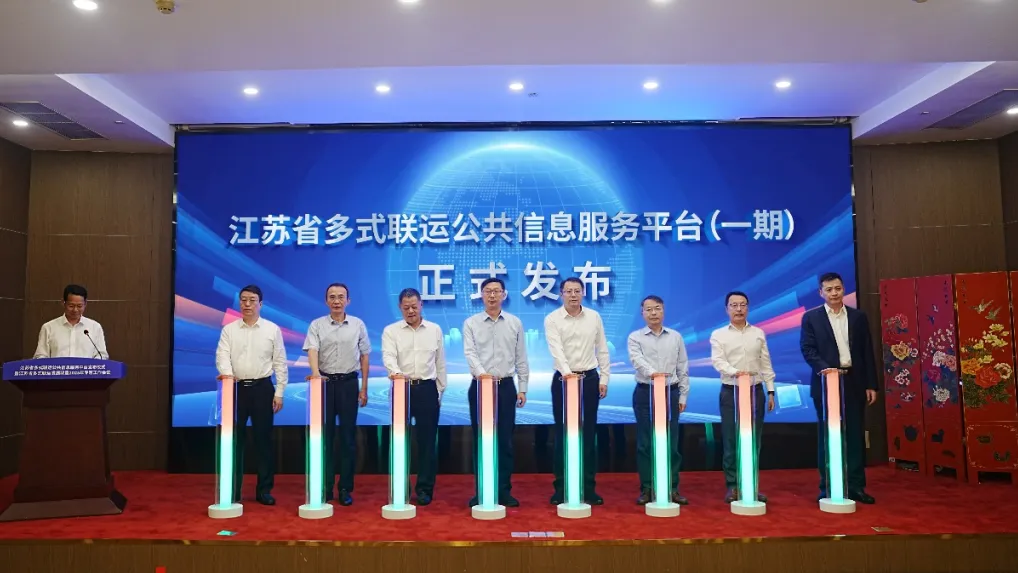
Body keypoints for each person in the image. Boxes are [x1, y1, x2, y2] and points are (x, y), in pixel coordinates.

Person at [799, 272, 878, 504]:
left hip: (854, 381)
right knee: (828, 435)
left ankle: (855, 486)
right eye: (829, 290)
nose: (834, 293)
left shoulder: (858, 317)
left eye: (838, 288)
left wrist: (871, 384)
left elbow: (866, 351)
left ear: (843, 289)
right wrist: (826, 370)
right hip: (826, 382)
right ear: (821, 293)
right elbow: (808, 349)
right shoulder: (811, 318)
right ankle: (828, 486)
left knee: (854, 435)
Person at [214, 284, 288, 505]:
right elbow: (222, 356)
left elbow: (280, 362)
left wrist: (280, 392)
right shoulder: (229, 330)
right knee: (233, 441)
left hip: (263, 389)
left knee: (263, 442)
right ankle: (232, 491)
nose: (247, 304)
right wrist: (228, 376)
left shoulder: (272, 329)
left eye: (252, 300)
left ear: (260, 304)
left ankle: (264, 490)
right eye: (243, 300)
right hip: (235, 389)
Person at [463, 278, 529, 508]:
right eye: (488, 291)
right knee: (481, 440)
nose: (492, 295)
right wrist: (483, 375)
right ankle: (482, 491)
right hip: (480, 386)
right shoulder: (471, 323)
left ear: (504, 294)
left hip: (506, 387)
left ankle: (503, 491)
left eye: (496, 291)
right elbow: (470, 354)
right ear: (481, 295)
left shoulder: (514, 323)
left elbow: (521, 357)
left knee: (505, 441)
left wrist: (523, 388)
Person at [303, 283, 371, 507]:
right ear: (326, 301)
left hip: (349, 384)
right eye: (332, 297)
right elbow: (312, 350)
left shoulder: (358, 324)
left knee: (348, 439)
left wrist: (364, 388)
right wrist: (315, 374)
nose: (336, 301)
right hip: (325, 384)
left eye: (341, 297)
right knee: (326, 438)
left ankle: (345, 488)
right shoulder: (317, 325)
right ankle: (325, 487)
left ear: (348, 301)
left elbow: (364, 356)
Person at [545, 277, 610, 505]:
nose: (573, 295)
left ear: (583, 293)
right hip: (563, 380)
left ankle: (588, 488)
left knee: (588, 434)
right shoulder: (552, 319)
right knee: (563, 434)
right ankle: (561, 488)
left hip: (589, 379)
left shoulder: (594, 317)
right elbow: (556, 351)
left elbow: (602, 348)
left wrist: (604, 377)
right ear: (561, 294)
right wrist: (567, 374)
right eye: (568, 291)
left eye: (577, 291)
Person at [381, 287, 446, 506]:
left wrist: (439, 391)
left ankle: (425, 489)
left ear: (421, 305)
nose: (411, 311)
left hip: (427, 389)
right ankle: (401, 489)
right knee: (400, 441)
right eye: (406, 307)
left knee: (427, 442)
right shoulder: (391, 331)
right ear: (400, 308)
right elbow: (388, 357)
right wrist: (397, 374)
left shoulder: (434, 330)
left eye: (414, 306)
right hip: (401, 388)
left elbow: (440, 362)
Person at [710, 291, 776, 504]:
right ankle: (733, 486)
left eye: (742, 305)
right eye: (734, 305)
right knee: (731, 440)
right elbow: (718, 361)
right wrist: (736, 373)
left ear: (748, 307)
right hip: (731, 391)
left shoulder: (758, 333)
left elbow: (765, 363)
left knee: (753, 440)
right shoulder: (719, 334)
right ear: (727, 309)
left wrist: (771, 390)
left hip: (755, 391)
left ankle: (751, 485)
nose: (739, 309)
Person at [627, 295, 690, 506]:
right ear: (642, 313)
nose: (653, 313)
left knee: (671, 443)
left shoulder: (675, 337)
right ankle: (647, 488)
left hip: (670, 392)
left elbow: (682, 366)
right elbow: (637, 361)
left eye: (657, 308)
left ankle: (672, 488)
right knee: (645, 443)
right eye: (649, 309)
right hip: (646, 392)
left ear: (663, 311)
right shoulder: (635, 337)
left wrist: (683, 394)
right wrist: (655, 374)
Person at [34, 284, 108, 359]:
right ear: (63, 302)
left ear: (85, 304)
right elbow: (40, 356)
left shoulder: (95, 327)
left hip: (86, 367)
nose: (75, 310)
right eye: (71, 306)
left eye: (79, 306)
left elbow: (102, 355)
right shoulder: (49, 327)